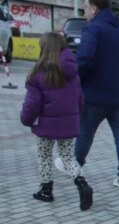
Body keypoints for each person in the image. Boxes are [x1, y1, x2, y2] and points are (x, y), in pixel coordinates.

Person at [20, 32, 93, 211]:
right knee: (68, 157)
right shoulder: (73, 72)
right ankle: (82, 184)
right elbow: (80, 99)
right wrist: (76, 115)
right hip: (68, 123)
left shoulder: (38, 74)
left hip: (45, 125)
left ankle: (46, 191)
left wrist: (26, 119)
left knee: (44, 156)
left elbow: (32, 104)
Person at [74, 0, 119, 189]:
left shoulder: (93, 29)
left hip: (95, 95)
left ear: (94, 8)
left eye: (86, 7)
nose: (84, 11)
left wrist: (75, 82)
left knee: (85, 132)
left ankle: (75, 166)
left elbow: (84, 59)